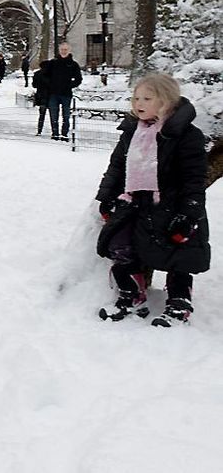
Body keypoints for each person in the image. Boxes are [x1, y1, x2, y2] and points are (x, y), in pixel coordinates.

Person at [95, 73, 210, 327]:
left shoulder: (187, 135)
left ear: (167, 101)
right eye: (136, 97)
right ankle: (132, 293)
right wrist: (106, 197)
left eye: (147, 98)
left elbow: (194, 178)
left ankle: (179, 304)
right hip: (136, 202)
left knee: (179, 254)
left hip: (172, 204)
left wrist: (189, 212)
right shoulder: (130, 132)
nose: (139, 103)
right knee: (122, 245)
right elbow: (117, 166)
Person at [46, 41, 83, 141]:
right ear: (59, 50)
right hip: (53, 94)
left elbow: (78, 79)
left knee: (66, 116)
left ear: (69, 50)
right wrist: (50, 86)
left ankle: (64, 134)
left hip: (66, 94)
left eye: (66, 49)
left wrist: (69, 86)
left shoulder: (73, 64)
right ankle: (55, 133)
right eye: (62, 49)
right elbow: (45, 76)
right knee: (53, 115)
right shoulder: (52, 63)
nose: (63, 51)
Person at [32, 60, 52, 136]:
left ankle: (39, 130)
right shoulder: (52, 74)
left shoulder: (37, 74)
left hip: (41, 96)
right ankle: (54, 132)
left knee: (41, 115)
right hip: (50, 96)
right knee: (52, 115)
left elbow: (34, 85)